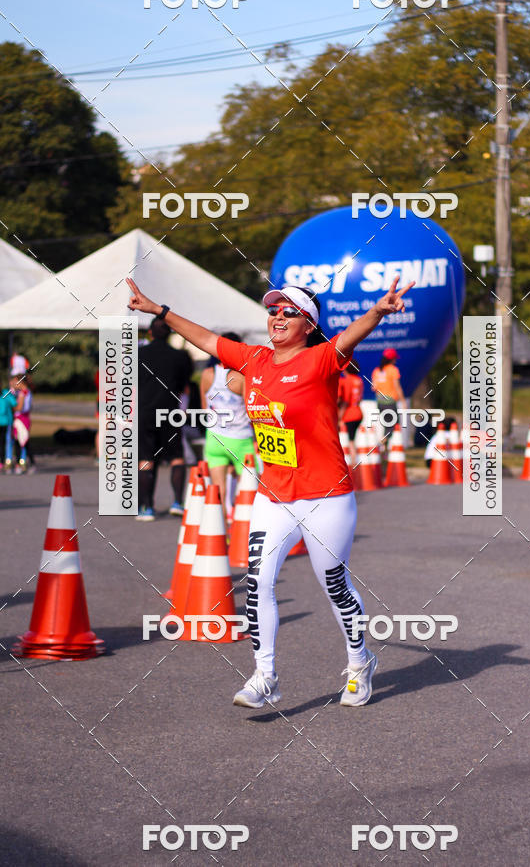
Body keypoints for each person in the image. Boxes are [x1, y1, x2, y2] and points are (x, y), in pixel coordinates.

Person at [126, 275, 414, 708]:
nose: (277, 317)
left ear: (308, 325)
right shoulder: (254, 359)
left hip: (326, 495)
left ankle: (360, 662)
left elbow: (351, 335)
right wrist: (159, 311)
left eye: (289, 312)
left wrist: (377, 311)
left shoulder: (320, 360)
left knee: (333, 583)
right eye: (274, 311)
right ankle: (265, 676)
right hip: (274, 495)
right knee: (257, 581)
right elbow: (205, 337)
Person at [136, 317, 193, 521]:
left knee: (145, 459)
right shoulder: (180, 356)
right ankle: (177, 502)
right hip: (171, 412)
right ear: (171, 334)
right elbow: (185, 387)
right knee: (177, 457)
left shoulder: (138, 354)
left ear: (150, 333)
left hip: (145, 412)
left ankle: (146, 507)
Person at [200, 332, 256, 522]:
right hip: (241, 440)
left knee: (219, 492)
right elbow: (252, 411)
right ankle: (244, 535)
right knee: (248, 492)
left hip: (214, 437)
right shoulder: (243, 377)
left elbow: (203, 408)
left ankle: (222, 535)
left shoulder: (207, 375)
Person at [371, 348, 407, 442]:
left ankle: (385, 450)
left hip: (380, 402)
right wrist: (403, 402)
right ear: (392, 359)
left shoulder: (377, 371)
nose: (395, 360)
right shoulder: (393, 370)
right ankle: (383, 443)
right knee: (394, 425)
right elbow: (397, 387)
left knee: (387, 425)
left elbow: (374, 387)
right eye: (395, 358)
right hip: (390, 402)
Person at [338, 360, 364, 468]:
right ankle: (355, 461)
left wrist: (339, 417)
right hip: (358, 411)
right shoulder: (359, 380)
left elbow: (345, 401)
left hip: (349, 415)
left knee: (349, 441)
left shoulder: (346, 381)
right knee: (352, 439)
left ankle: (353, 463)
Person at [12, 374, 34, 474]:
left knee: (21, 442)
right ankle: (28, 463)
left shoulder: (23, 393)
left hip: (21, 419)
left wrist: (11, 408)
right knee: (23, 441)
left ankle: (20, 464)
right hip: (24, 418)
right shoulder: (27, 392)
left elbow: (19, 408)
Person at [0, 378, 16, 471]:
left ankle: (4, 461)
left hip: (5, 421)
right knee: (4, 442)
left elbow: (14, 403)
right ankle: (3, 461)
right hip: (6, 421)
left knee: (4, 442)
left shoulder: (6, 393)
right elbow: (14, 403)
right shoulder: (6, 393)